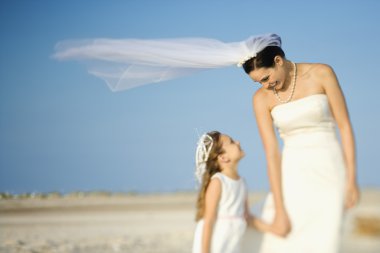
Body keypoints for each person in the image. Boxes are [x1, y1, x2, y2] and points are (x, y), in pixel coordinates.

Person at [241, 42, 360, 252]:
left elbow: (345, 126)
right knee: (282, 241)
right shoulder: (260, 98)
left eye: (266, 78)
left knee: (326, 239)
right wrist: (279, 208)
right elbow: (271, 153)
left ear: (278, 60)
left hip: (330, 170)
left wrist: (351, 180)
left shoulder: (322, 73)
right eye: (258, 82)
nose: (265, 85)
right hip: (292, 173)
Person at [193, 131, 269, 253]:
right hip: (217, 241)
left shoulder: (242, 182)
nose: (238, 142)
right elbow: (208, 221)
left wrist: (273, 229)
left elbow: (247, 217)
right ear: (223, 157)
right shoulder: (218, 182)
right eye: (232, 142)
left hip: (232, 241)